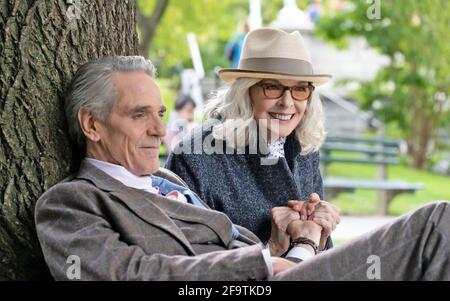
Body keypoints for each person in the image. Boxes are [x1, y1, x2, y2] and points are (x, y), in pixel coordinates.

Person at [35, 56, 450, 281]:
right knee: (438, 225)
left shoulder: (165, 181)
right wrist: (266, 264)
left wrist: (291, 242)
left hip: (275, 270)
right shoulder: (71, 202)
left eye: (160, 114)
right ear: (92, 124)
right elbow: (129, 274)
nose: (161, 130)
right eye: (140, 115)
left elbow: (231, 248)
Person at [165, 28, 337, 255]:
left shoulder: (304, 147)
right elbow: (184, 262)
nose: (287, 102)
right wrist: (270, 250)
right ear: (246, 91)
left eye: (299, 89)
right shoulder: (195, 155)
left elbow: (316, 254)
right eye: (273, 87)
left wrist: (320, 234)